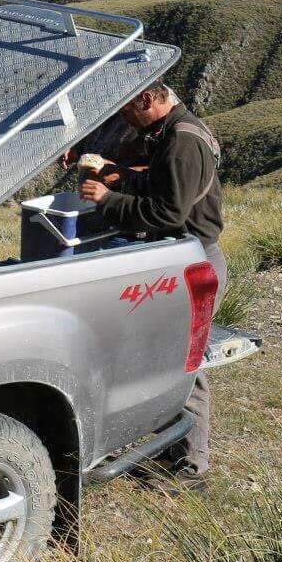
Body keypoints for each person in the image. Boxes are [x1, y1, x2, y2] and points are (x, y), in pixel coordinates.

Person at [76, 83, 225, 479]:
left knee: (182, 362)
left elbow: (168, 213)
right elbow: (167, 189)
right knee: (164, 357)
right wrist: (124, 176)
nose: (124, 119)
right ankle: (170, 448)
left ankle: (191, 466)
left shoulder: (181, 142)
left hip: (191, 262)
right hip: (181, 259)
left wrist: (107, 200)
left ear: (147, 99)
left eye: (127, 109)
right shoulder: (172, 134)